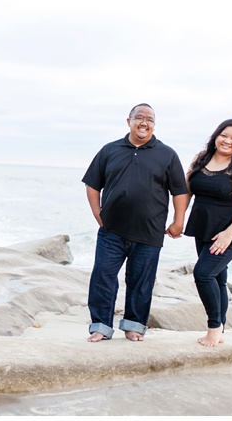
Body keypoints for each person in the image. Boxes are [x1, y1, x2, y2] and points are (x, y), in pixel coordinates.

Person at [82, 103, 189, 342]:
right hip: (112, 231)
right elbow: (92, 184)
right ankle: (100, 326)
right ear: (128, 121)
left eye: (149, 119)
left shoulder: (167, 154)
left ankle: (133, 325)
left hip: (149, 232)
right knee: (103, 277)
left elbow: (179, 191)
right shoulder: (110, 150)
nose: (144, 122)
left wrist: (178, 221)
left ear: (154, 124)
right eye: (139, 118)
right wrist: (98, 214)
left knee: (141, 281)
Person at [183, 119, 232, 347]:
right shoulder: (201, 158)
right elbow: (186, 191)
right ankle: (221, 327)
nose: (228, 141)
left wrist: (228, 234)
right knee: (217, 278)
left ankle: (214, 328)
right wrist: (177, 220)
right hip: (203, 227)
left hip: (230, 231)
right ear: (216, 136)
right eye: (225, 135)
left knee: (203, 274)